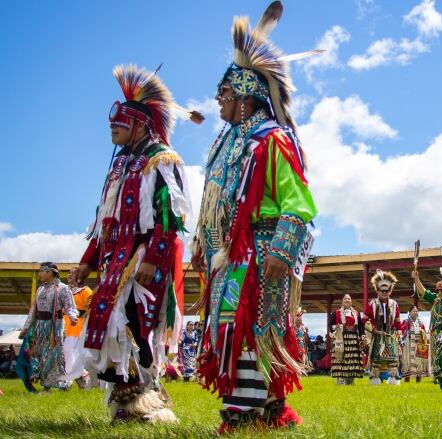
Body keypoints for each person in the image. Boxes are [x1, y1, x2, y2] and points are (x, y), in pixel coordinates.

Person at [191, 3, 320, 431]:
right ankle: (259, 410)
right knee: (231, 328)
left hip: (263, 250)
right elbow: (214, 201)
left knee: (255, 328)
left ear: (245, 95)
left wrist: (283, 248)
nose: (218, 101)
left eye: (224, 95)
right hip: (229, 254)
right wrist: (202, 244)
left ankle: (250, 414)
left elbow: (298, 202)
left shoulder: (273, 141)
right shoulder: (224, 147)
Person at [75, 65, 199, 423]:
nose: (112, 126)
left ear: (141, 123)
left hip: (145, 255)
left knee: (136, 321)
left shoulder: (162, 159)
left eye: (120, 121)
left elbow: (171, 216)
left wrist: (154, 259)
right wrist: (89, 260)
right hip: (116, 258)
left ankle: (147, 399)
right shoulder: (120, 166)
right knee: (111, 322)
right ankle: (125, 402)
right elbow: (105, 220)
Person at [19, 262, 77, 390]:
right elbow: (34, 310)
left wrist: (73, 317)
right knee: (40, 354)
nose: (39, 274)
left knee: (53, 354)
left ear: (50, 272)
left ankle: (56, 384)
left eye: (41, 271)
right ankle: (51, 383)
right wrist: (26, 328)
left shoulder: (63, 288)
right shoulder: (40, 289)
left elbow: (70, 306)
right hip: (40, 326)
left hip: (55, 326)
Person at [365, 270, 402, 385]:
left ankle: (393, 378)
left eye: (386, 291)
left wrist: (399, 333)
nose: (384, 293)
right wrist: (374, 330)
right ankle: (375, 378)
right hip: (377, 335)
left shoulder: (394, 304)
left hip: (390, 334)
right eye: (382, 291)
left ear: (389, 291)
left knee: (393, 357)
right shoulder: (372, 304)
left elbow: (397, 320)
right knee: (376, 357)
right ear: (378, 291)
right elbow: (364, 320)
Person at [63, 269, 93, 388]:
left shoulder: (86, 291)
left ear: (80, 276)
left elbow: (91, 308)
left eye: (72, 273)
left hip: (78, 326)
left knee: (69, 350)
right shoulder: (66, 291)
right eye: (68, 273)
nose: (69, 275)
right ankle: (81, 376)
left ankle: (70, 380)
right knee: (67, 353)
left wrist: (85, 324)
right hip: (65, 326)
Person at [329, 294, 365, 385]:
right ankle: (341, 378)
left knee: (352, 358)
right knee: (340, 357)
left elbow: (361, 326)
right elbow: (330, 326)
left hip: (353, 338)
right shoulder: (336, 313)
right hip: (340, 338)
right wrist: (338, 327)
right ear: (342, 301)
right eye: (345, 299)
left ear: (351, 301)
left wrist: (362, 336)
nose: (347, 300)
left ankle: (350, 379)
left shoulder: (356, 313)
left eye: (349, 299)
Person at [401, 306, 429, 383]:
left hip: (418, 345)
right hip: (408, 345)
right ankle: (407, 381)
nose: (415, 313)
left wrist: (421, 331)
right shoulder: (405, 322)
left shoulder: (421, 323)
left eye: (417, 311)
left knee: (418, 362)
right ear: (409, 312)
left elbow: (425, 335)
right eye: (414, 311)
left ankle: (418, 381)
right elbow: (401, 333)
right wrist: (410, 331)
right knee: (408, 362)